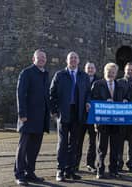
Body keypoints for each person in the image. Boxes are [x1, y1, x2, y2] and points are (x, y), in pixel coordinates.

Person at [50, 51, 91, 182]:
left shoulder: (83, 76)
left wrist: (88, 102)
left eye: (75, 58)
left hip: (78, 113)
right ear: (67, 61)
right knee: (62, 143)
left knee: (74, 143)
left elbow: (88, 93)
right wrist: (54, 111)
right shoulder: (60, 75)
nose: (73, 60)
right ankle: (60, 170)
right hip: (64, 112)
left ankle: (71, 170)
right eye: (71, 58)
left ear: (79, 61)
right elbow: (52, 94)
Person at [14, 49, 50, 186]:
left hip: (40, 118)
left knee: (34, 148)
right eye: (39, 57)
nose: (42, 59)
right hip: (27, 118)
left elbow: (46, 96)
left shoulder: (45, 74)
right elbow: (20, 94)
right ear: (33, 59)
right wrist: (22, 114)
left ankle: (30, 172)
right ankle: (19, 174)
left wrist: (49, 112)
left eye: (44, 57)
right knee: (23, 148)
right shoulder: (26, 73)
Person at [91, 62, 129, 179]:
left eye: (113, 72)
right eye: (109, 72)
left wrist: (125, 100)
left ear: (116, 73)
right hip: (103, 121)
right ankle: (100, 170)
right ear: (104, 72)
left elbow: (126, 96)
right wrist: (103, 102)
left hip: (117, 122)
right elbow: (92, 99)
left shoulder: (120, 85)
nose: (111, 74)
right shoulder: (97, 84)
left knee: (115, 148)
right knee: (101, 148)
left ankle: (113, 170)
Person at [75, 62, 99, 173]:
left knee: (93, 142)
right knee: (78, 141)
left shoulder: (100, 81)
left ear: (95, 69)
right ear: (85, 69)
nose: (90, 69)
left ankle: (90, 164)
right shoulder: (79, 79)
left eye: (92, 67)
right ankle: (75, 164)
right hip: (81, 115)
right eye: (88, 68)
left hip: (93, 116)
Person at [117, 62, 132, 172]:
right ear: (125, 70)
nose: (130, 71)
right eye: (128, 69)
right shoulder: (118, 82)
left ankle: (130, 163)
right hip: (121, 116)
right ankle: (119, 163)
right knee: (120, 141)